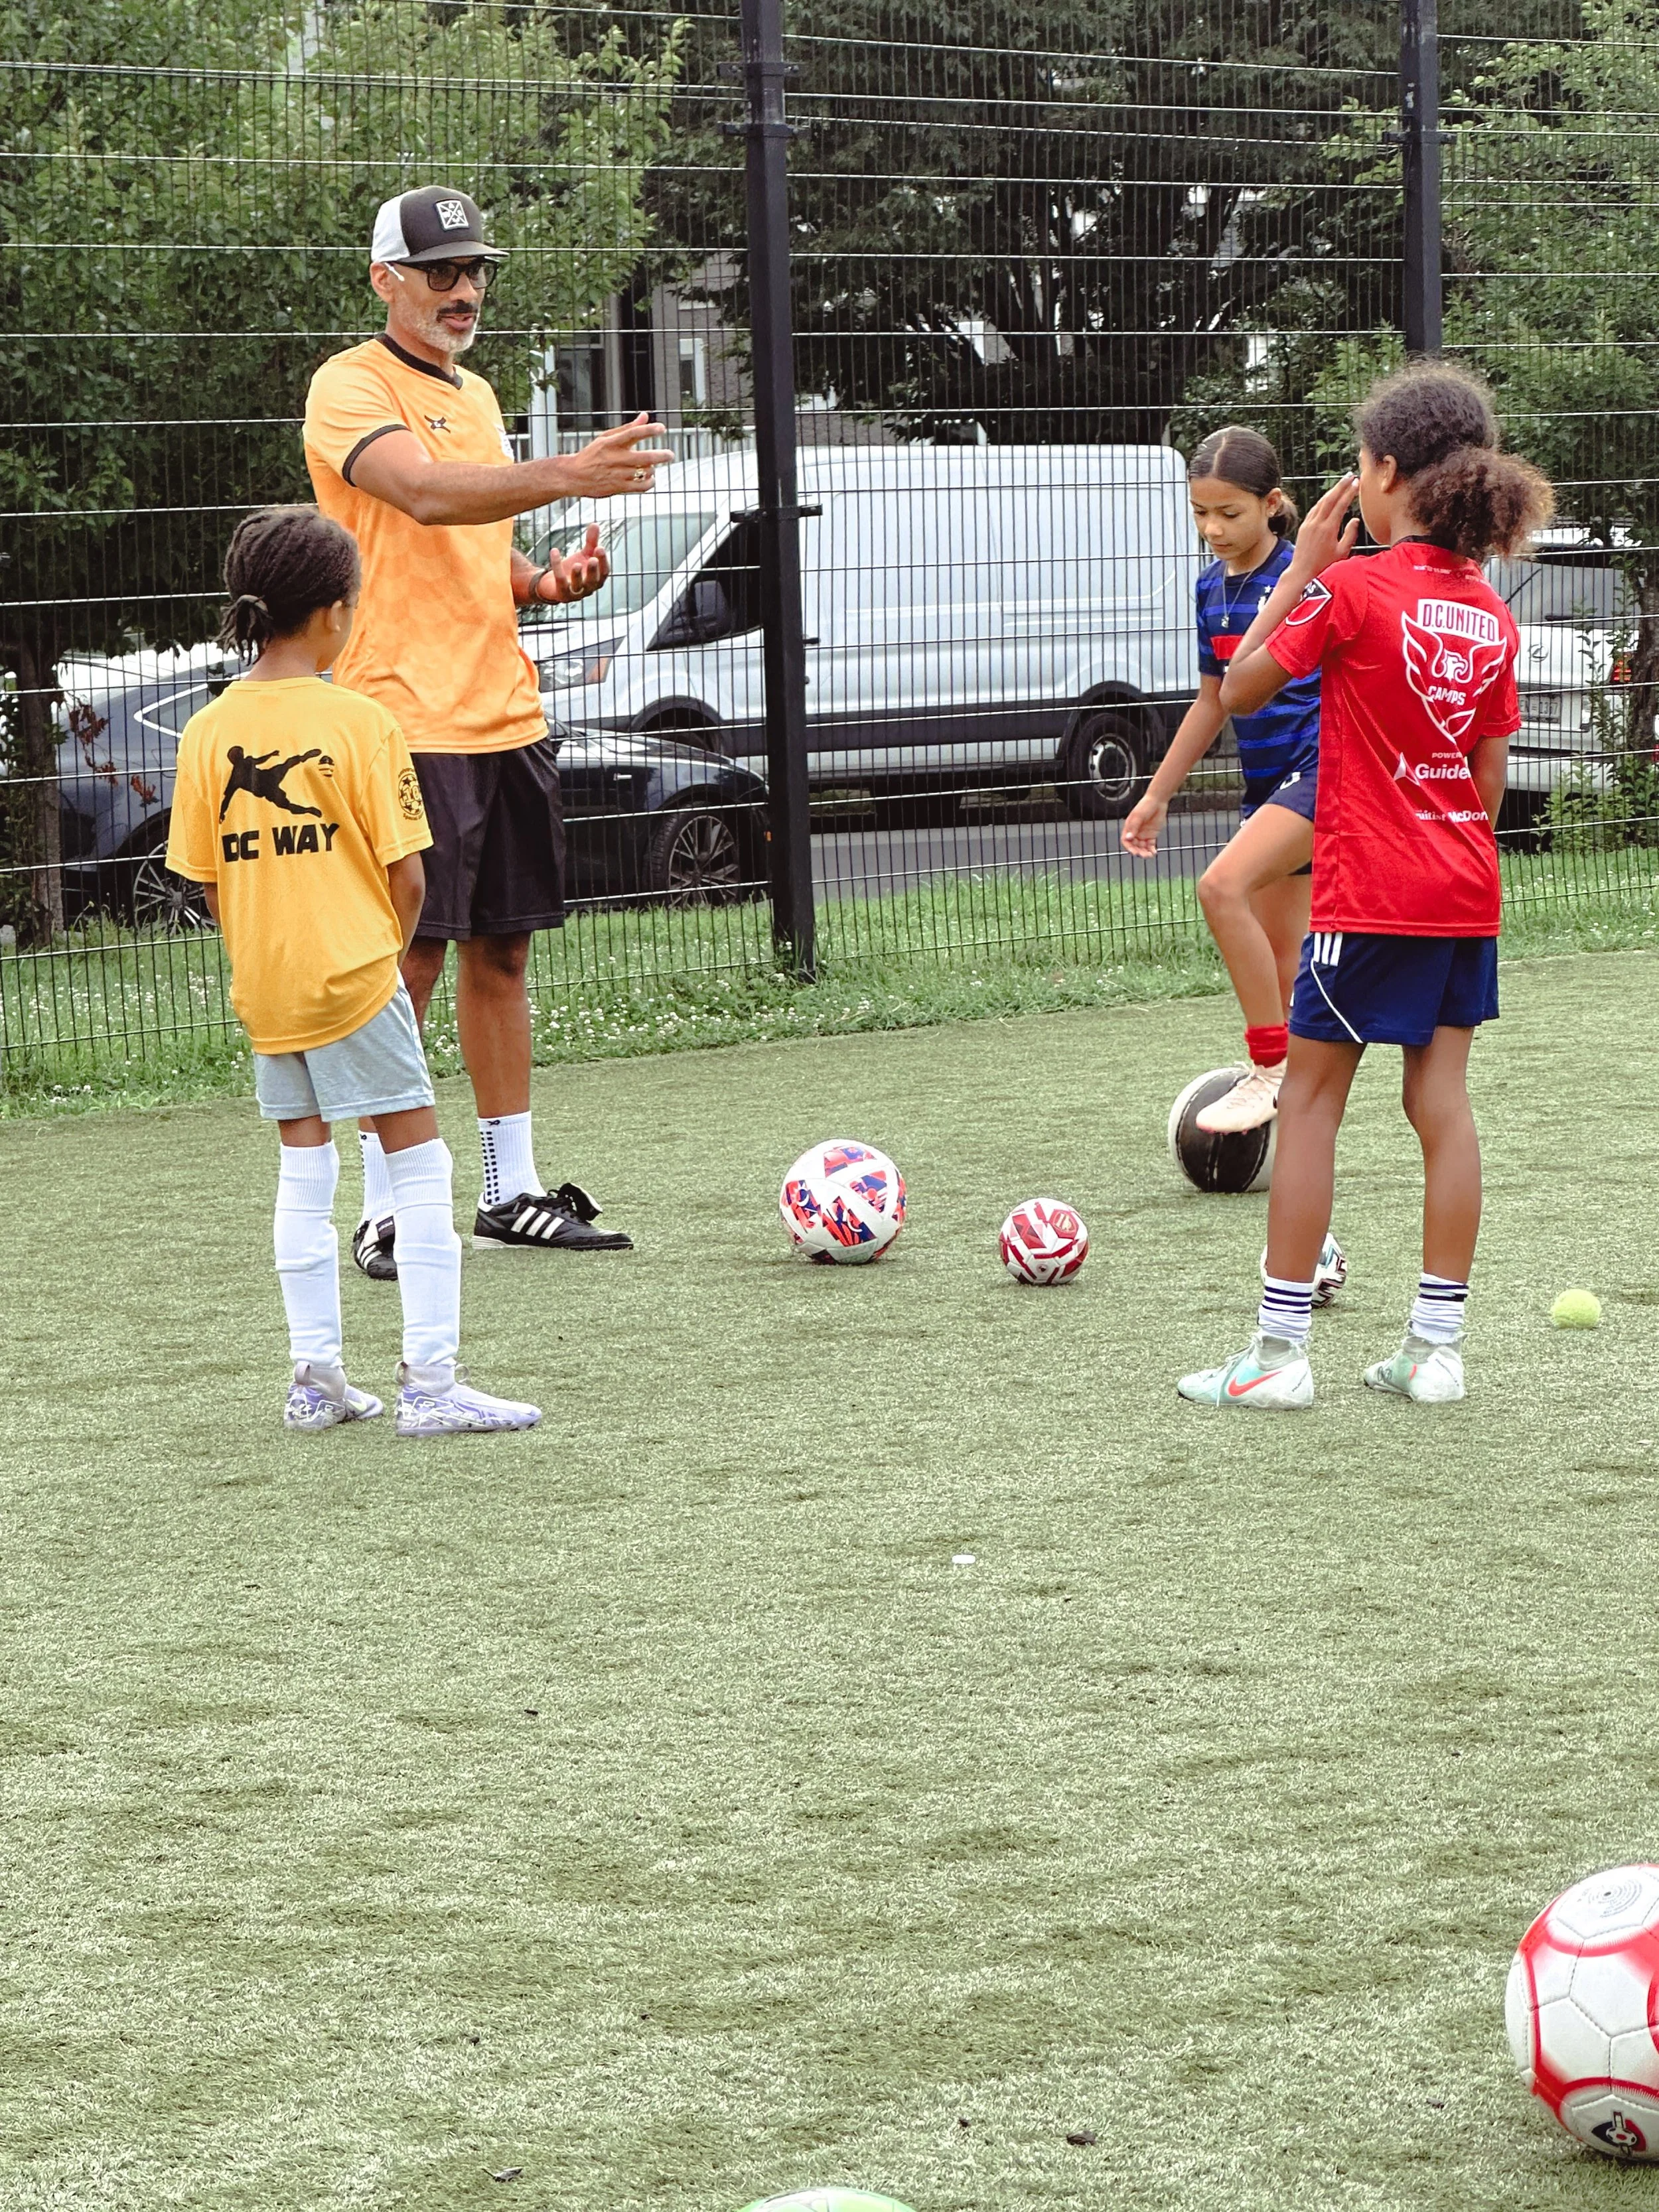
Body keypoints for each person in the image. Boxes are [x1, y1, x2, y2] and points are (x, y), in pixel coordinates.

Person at [302, 183, 676, 1279]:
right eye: (440, 273)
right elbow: (418, 497)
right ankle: (385, 1210)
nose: (464, 292)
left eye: (474, 272)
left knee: (501, 949)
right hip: (401, 717)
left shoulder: (477, 391)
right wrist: (571, 471)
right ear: (387, 281)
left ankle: (510, 1188)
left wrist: (544, 580)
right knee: (408, 959)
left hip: (505, 709)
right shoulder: (349, 385)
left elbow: (471, 543)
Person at [1176, 362, 1553, 1411]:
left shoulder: (1348, 587)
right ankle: (1436, 1350)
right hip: (1463, 893)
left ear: (1387, 475)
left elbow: (1244, 686)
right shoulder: (1490, 609)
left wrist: (1299, 570)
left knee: (1308, 1102)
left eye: (1358, 465)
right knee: (1441, 1103)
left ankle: (1278, 1354)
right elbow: (1486, 777)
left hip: (1366, 895)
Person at [167, 506, 541, 1438]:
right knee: (420, 1164)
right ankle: (433, 1382)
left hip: (269, 987)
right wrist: (380, 960)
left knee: (304, 1168)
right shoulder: (363, 723)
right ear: (335, 614)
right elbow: (409, 876)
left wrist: (264, 953)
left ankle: (315, 1379)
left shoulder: (206, 732)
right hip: (356, 979)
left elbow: (210, 884)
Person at [1122, 427, 1321, 1136]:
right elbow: (1213, 700)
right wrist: (1157, 793)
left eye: (1228, 513)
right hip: (1266, 782)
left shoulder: (1308, 576)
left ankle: (1269, 1066)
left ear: (1271, 505)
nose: (1211, 528)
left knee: (1219, 887)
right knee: (1281, 959)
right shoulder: (1211, 588)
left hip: (1321, 774)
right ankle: (1300, 1104)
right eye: (1198, 512)